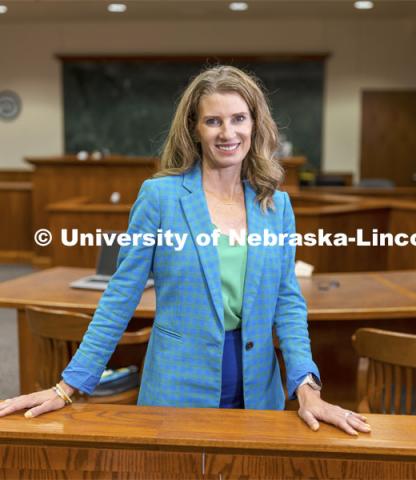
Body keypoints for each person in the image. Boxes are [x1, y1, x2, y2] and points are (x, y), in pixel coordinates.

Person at [0, 66, 370, 435]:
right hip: (176, 394)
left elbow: (287, 302)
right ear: (194, 128)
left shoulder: (275, 206)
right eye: (213, 121)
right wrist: (68, 387)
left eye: (239, 118)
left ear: (255, 124)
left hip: (259, 395)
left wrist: (307, 388)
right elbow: (120, 297)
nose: (228, 133)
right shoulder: (160, 198)